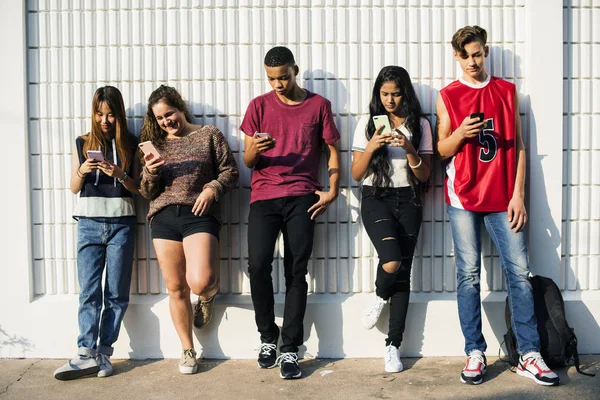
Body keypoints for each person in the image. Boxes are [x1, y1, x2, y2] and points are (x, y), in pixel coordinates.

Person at [435, 25, 559, 386]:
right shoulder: (448, 96)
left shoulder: (506, 91)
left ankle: (528, 353)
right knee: (468, 275)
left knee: (519, 274)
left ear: (485, 52)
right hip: (463, 197)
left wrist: (518, 193)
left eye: (477, 54)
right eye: (465, 56)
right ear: (456, 57)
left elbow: (519, 146)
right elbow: (440, 150)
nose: (472, 62)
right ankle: (475, 351)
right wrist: (460, 135)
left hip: (503, 197)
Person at [240, 46, 341, 379]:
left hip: (302, 195)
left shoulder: (318, 105)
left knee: (297, 271)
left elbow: (331, 150)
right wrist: (255, 148)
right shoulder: (258, 106)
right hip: (265, 195)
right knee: (257, 265)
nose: (278, 85)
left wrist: (333, 189)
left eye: (283, 77)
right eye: (272, 79)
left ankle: (290, 349)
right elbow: (248, 162)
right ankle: (268, 336)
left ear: (294, 70)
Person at [138, 85, 239, 374]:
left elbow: (230, 171)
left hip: (199, 212)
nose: (166, 122)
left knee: (200, 281)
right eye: (159, 118)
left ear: (180, 107)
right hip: (163, 216)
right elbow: (147, 191)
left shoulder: (209, 134)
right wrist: (151, 171)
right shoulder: (153, 144)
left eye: (169, 114)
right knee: (175, 288)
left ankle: (208, 295)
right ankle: (187, 350)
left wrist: (212, 189)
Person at [54, 86, 140, 380]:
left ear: (120, 115)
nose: (105, 120)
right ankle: (84, 353)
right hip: (88, 223)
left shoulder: (131, 143)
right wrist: (83, 169)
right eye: (99, 114)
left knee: (116, 293)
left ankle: (103, 353)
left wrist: (120, 174)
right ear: (93, 114)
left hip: (122, 223)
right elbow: (74, 188)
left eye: (111, 114)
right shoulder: (83, 142)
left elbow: (138, 189)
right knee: (89, 291)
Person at [351, 66, 432, 373]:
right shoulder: (367, 123)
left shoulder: (420, 124)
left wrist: (409, 147)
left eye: (396, 94)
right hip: (376, 196)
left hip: (409, 198)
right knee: (391, 260)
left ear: (405, 93)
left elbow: (424, 175)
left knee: (404, 273)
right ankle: (380, 294)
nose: (390, 100)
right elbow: (356, 174)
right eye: (384, 94)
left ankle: (392, 347)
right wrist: (373, 145)